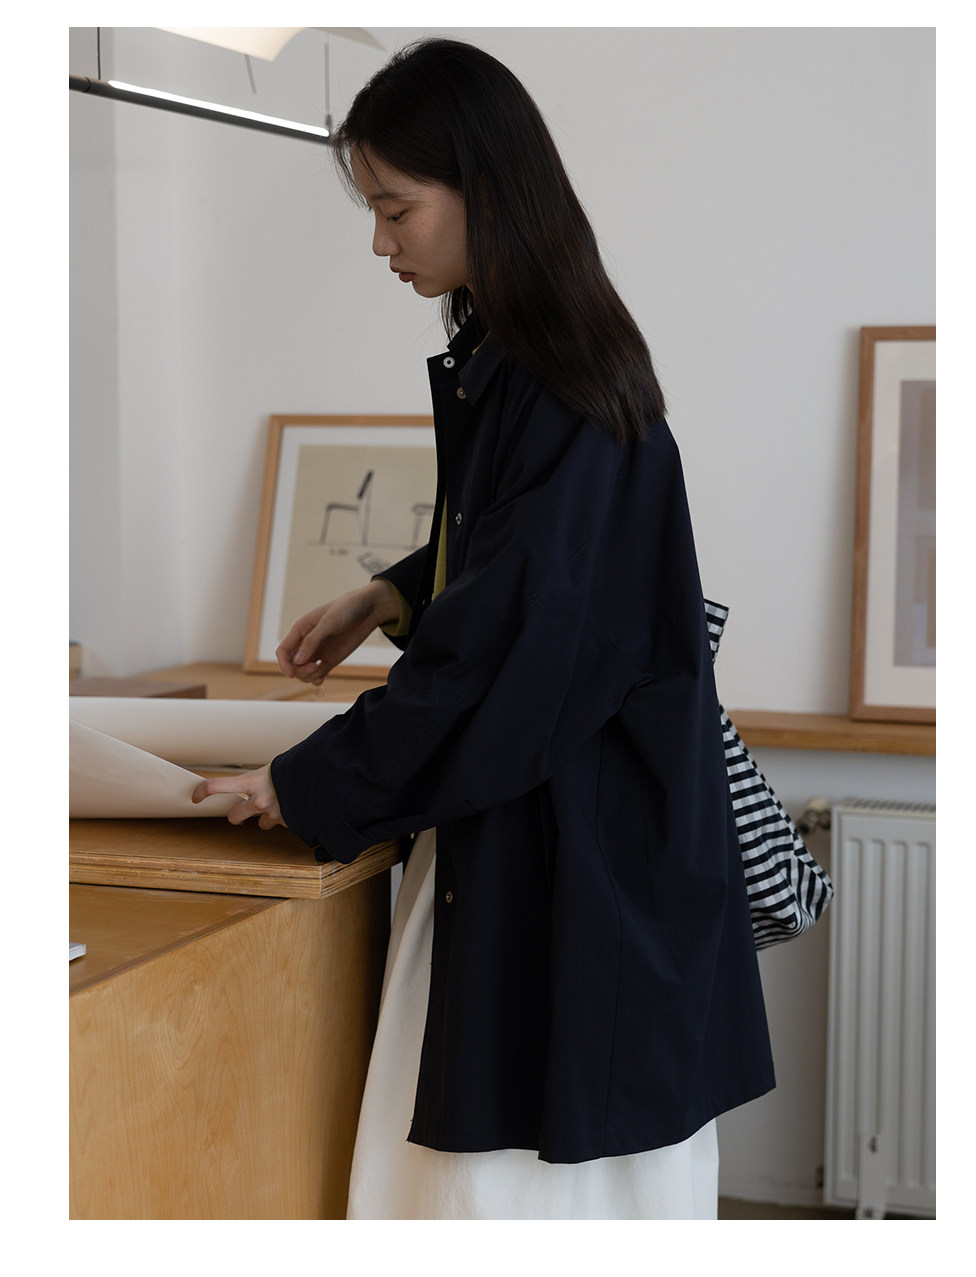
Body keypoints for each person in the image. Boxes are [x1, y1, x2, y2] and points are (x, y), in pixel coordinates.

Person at [193, 37, 774, 1220]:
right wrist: (389, 593)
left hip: (569, 864)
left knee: (510, 1197)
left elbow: (510, 651)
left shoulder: (555, 387)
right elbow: (529, 570)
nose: (380, 242)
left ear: (485, 191)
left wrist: (306, 779)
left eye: (394, 207)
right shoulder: (533, 366)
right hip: (562, 842)